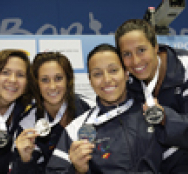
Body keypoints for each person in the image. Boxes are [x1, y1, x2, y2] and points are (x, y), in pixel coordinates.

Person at [115, 19, 188, 173]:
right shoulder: (126, 79)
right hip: (180, 151)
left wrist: (164, 118)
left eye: (141, 50)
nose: (135, 61)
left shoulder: (186, 64)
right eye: (127, 54)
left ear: (155, 47)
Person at [46, 44, 168, 174]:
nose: (107, 79)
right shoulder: (76, 128)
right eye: (97, 74)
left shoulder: (153, 114)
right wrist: (77, 171)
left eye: (113, 70)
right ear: (90, 80)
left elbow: (180, 164)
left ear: (126, 73)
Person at [10, 52, 94, 174]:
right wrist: (25, 160)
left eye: (58, 78)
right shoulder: (27, 123)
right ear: (36, 84)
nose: (52, 86)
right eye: (45, 80)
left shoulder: (90, 110)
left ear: (68, 80)